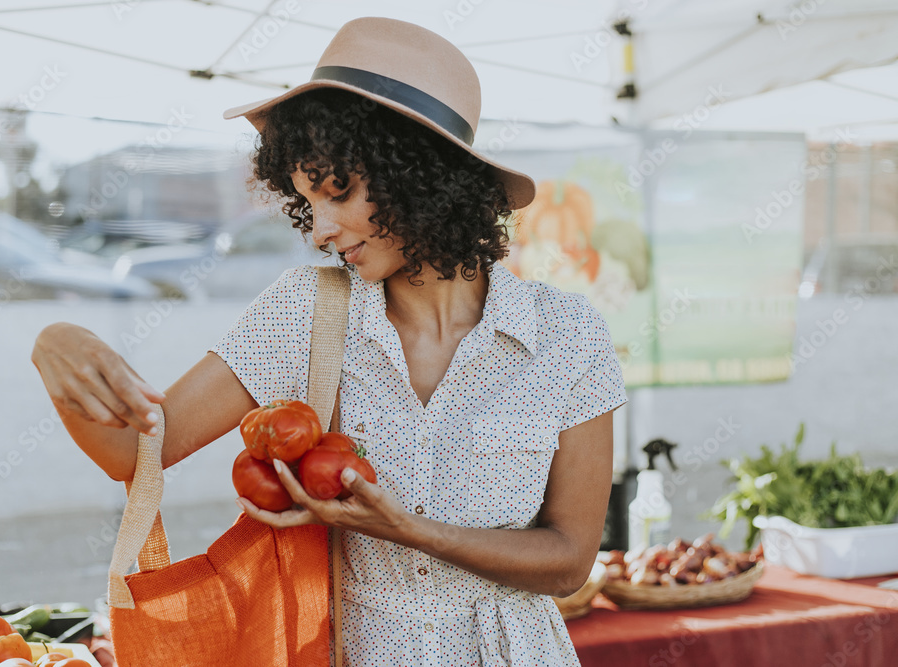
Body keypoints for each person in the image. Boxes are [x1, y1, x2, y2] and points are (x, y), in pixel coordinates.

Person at [31, 16, 627, 666]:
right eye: (307, 200)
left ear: (420, 175)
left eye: (338, 191)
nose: (319, 229)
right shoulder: (303, 311)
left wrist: (409, 531)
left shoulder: (568, 335)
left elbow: (569, 560)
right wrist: (55, 341)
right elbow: (135, 449)